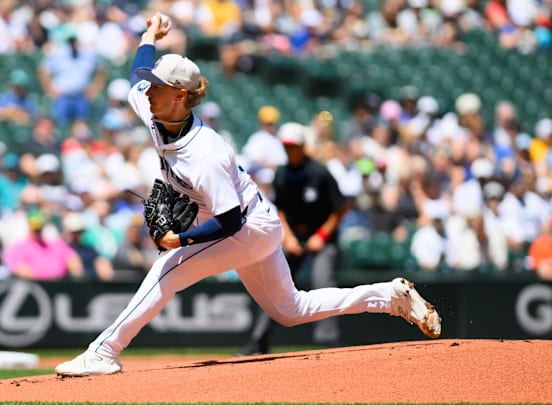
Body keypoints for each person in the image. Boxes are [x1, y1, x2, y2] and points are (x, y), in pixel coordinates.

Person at [54, 13, 442, 377]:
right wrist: (148, 39)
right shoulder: (155, 106)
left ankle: (103, 352)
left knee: (167, 271)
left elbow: (230, 221)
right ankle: (389, 297)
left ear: (180, 95)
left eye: (158, 86)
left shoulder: (206, 154)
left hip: (247, 227)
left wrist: (183, 239)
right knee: (291, 309)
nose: (147, 90)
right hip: (259, 222)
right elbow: (137, 72)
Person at [237, 121, 352, 356]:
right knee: (274, 287)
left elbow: (341, 207)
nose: (289, 150)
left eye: (293, 146)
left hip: (322, 238)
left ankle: (332, 342)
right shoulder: (282, 173)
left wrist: (320, 235)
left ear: (303, 146)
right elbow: (279, 209)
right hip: (294, 237)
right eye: (286, 146)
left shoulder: (319, 172)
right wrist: (287, 237)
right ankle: (259, 341)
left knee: (323, 282)